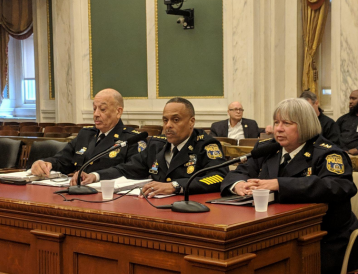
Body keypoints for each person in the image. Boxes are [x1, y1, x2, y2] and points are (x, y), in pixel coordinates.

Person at [221, 98, 358, 274]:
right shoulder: (267, 148)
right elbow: (237, 172)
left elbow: (338, 186)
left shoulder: (327, 153)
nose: (278, 128)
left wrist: (279, 184)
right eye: (276, 122)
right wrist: (238, 185)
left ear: (305, 124)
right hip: (271, 233)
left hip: (322, 239)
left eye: (286, 123)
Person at [73, 97, 229, 197]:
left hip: (191, 212)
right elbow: (127, 169)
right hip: (154, 207)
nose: (168, 126)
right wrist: (95, 176)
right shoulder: (156, 145)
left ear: (191, 122)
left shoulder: (205, 145)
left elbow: (219, 177)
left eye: (175, 120)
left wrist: (175, 186)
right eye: (165, 120)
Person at [31, 89, 144, 181]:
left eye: (102, 109)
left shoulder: (132, 139)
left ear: (118, 112)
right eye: (94, 109)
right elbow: (63, 160)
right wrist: (46, 163)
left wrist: (96, 176)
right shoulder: (86, 134)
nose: (96, 114)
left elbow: (133, 169)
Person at [337, 89, 358, 155]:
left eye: (354, 99)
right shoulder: (343, 119)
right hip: (339, 152)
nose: (350, 102)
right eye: (350, 99)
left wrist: (356, 150)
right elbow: (333, 136)